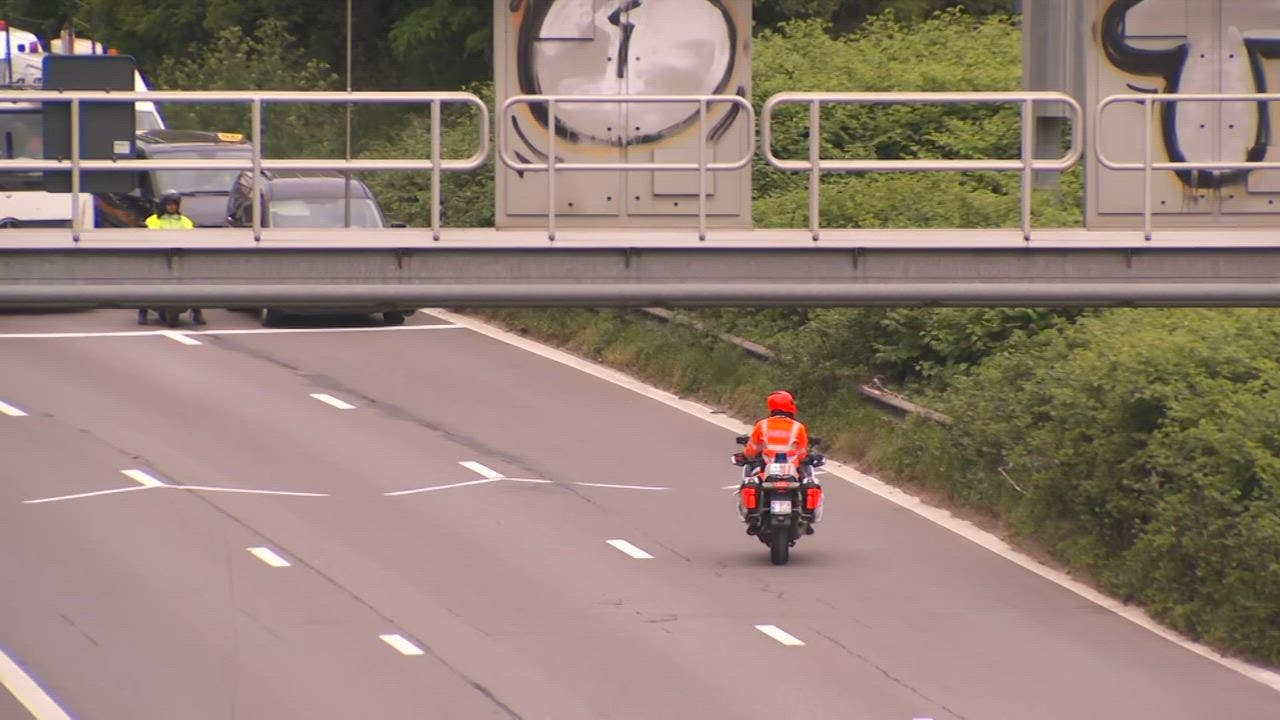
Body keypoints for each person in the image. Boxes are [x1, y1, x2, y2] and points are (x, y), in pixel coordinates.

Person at [139, 191, 203, 325]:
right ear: (163, 205)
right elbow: (151, 235)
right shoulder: (153, 220)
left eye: (175, 205)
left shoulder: (185, 220)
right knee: (147, 282)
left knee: (193, 282)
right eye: (169, 205)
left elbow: (190, 235)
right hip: (158, 256)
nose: (172, 207)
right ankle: (142, 311)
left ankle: (197, 312)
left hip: (180, 255)